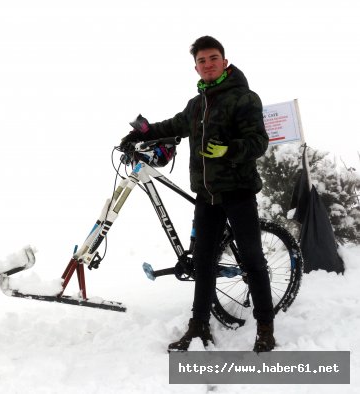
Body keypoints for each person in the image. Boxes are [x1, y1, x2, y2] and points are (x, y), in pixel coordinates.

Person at [120, 36, 275, 352]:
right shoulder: (197, 105)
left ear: (224, 61)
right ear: (196, 66)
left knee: (253, 260)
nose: (208, 64)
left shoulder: (245, 98)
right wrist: (140, 133)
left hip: (239, 193)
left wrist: (229, 150)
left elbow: (259, 142)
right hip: (208, 197)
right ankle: (198, 326)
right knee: (203, 263)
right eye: (202, 60)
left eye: (213, 58)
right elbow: (172, 125)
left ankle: (266, 329)